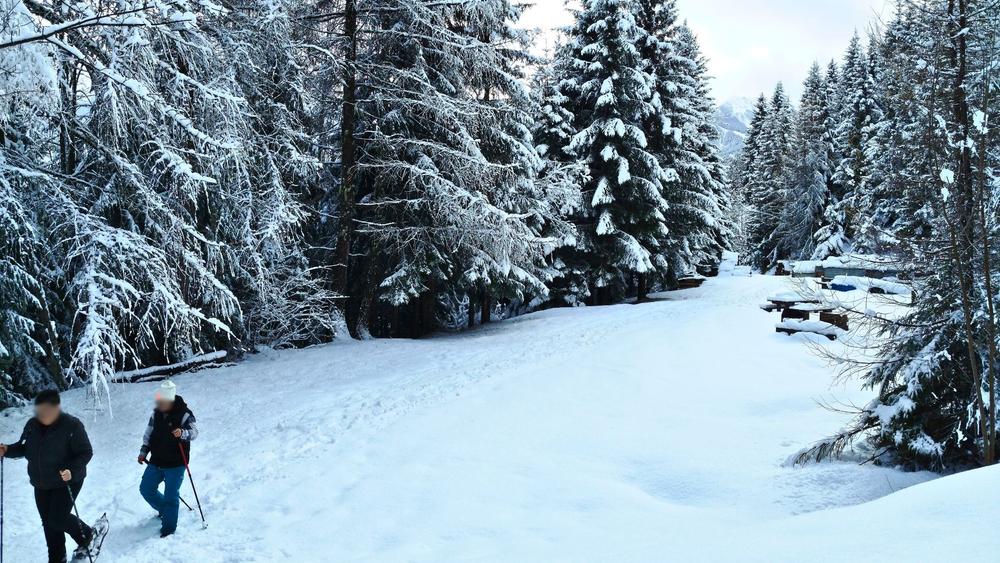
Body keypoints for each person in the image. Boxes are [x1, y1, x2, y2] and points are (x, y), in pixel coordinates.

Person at [0, 390, 100, 562]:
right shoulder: (32, 425)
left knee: (58, 518)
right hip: (41, 483)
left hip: (67, 480)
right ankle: (57, 558)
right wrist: (7, 450)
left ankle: (87, 536)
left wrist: (71, 470)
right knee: (48, 523)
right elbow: (24, 448)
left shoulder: (72, 425)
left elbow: (86, 452)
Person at [137, 380, 198, 537]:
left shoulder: (185, 414)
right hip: (157, 460)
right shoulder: (155, 414)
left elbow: (194, 433)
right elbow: (148, 434)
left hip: (177, 463)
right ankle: (164, 510)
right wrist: (144, 451)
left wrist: (182, 433)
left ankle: (168, 529)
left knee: (171, 496)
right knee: (146, 488)